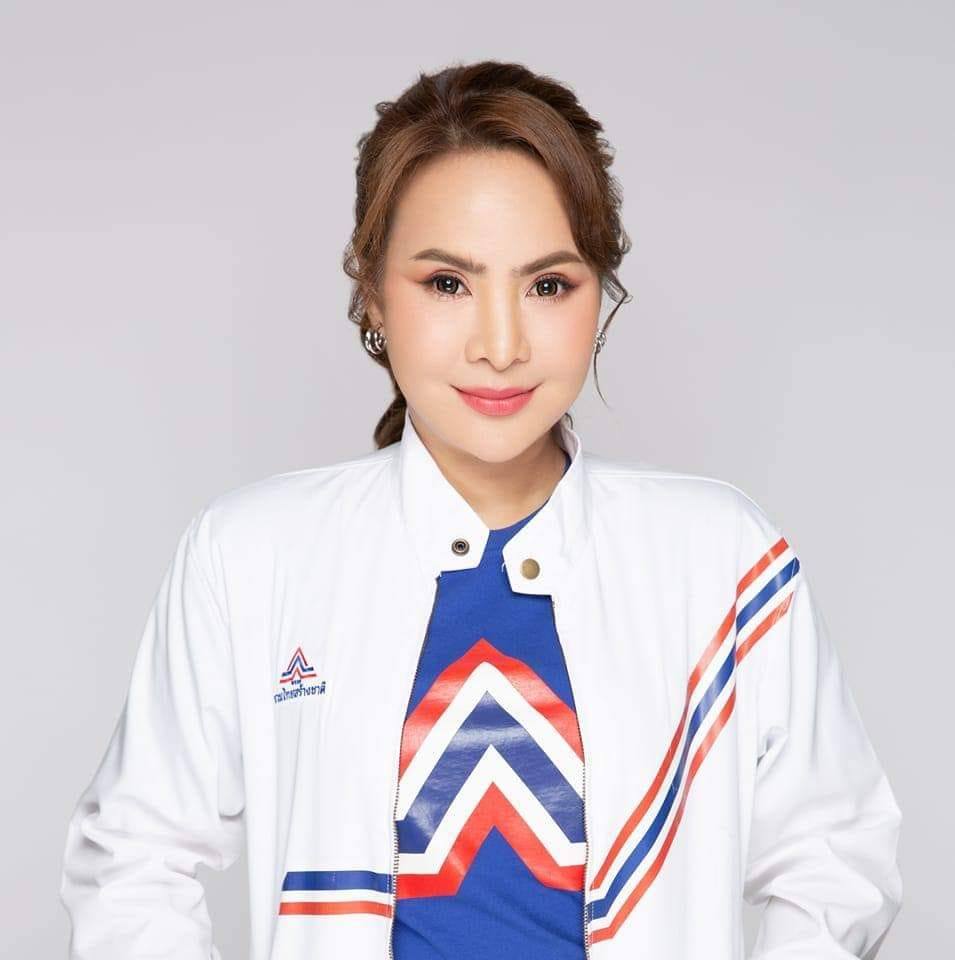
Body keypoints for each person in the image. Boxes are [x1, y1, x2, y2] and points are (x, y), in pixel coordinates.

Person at [59, 60, 903, 960]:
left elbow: (833, 855)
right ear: (372, 292)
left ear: (600, 295)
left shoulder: (721, 559)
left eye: (548, 285)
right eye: (446, 284)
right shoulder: (251, 554)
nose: (499, 346)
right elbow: (135, 860)